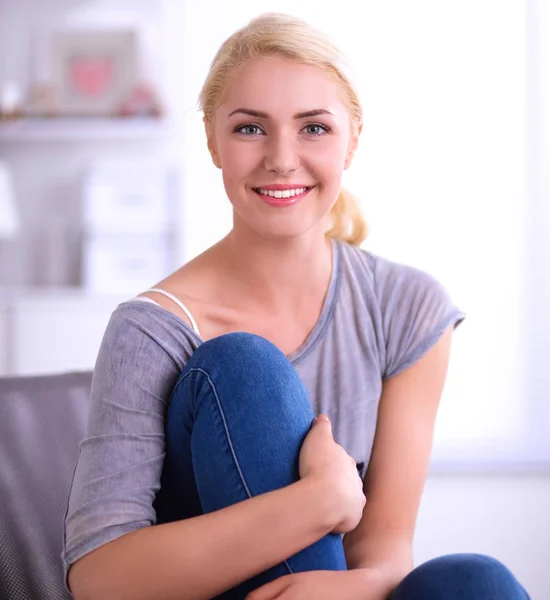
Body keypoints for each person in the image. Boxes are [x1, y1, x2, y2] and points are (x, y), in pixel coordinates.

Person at [63, 12, 530, 600]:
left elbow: (382, 553)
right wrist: (318, 502)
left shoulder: (407, 308)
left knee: (475, 581)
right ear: (212, 139)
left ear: (352, 139)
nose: (282, 159)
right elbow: (99, 579)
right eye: (250, 129)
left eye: (313, 128)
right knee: (243, 369)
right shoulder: (151, 331)